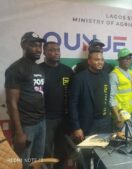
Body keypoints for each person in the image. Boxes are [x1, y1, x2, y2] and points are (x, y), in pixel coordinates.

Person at [5, 32, 46, 169]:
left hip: (41, 122)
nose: (38, 49)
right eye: (34, 45)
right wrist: (18, 132)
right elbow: (11, 103)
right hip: (26, 126)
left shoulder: (38, 68)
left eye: (39, 46)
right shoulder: (15, 69)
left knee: (37, 161)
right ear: (23, 45)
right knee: (23, 163)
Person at [39, 41, 73, 169]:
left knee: (62, 150)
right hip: (45, 118)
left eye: (58, 50)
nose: (56, 52)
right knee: (46, 151)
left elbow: (73, 96)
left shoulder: (67, 71)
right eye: (52, 50)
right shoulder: (38, 70)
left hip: (64, 118)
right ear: (44, 52)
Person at [69, 50, 111, 142]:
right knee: (87, 153)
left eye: (102, 60)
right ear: (89, 61)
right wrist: (76, 127)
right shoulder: (79, 78)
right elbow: (72, 105)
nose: (100, 62)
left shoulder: (106, 76)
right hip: (87, 124)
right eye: (96, 60)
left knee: (104, 151)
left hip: (105, 122)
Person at [109, 48, 132, 129]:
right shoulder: (114, 75)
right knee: (121, 139)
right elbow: (111, 98)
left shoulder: (131, 72)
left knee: (131, 138)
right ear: (119, 60)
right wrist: (118, 116)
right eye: (126, 59)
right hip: (121, 114)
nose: (129, 60)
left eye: (130, 58)